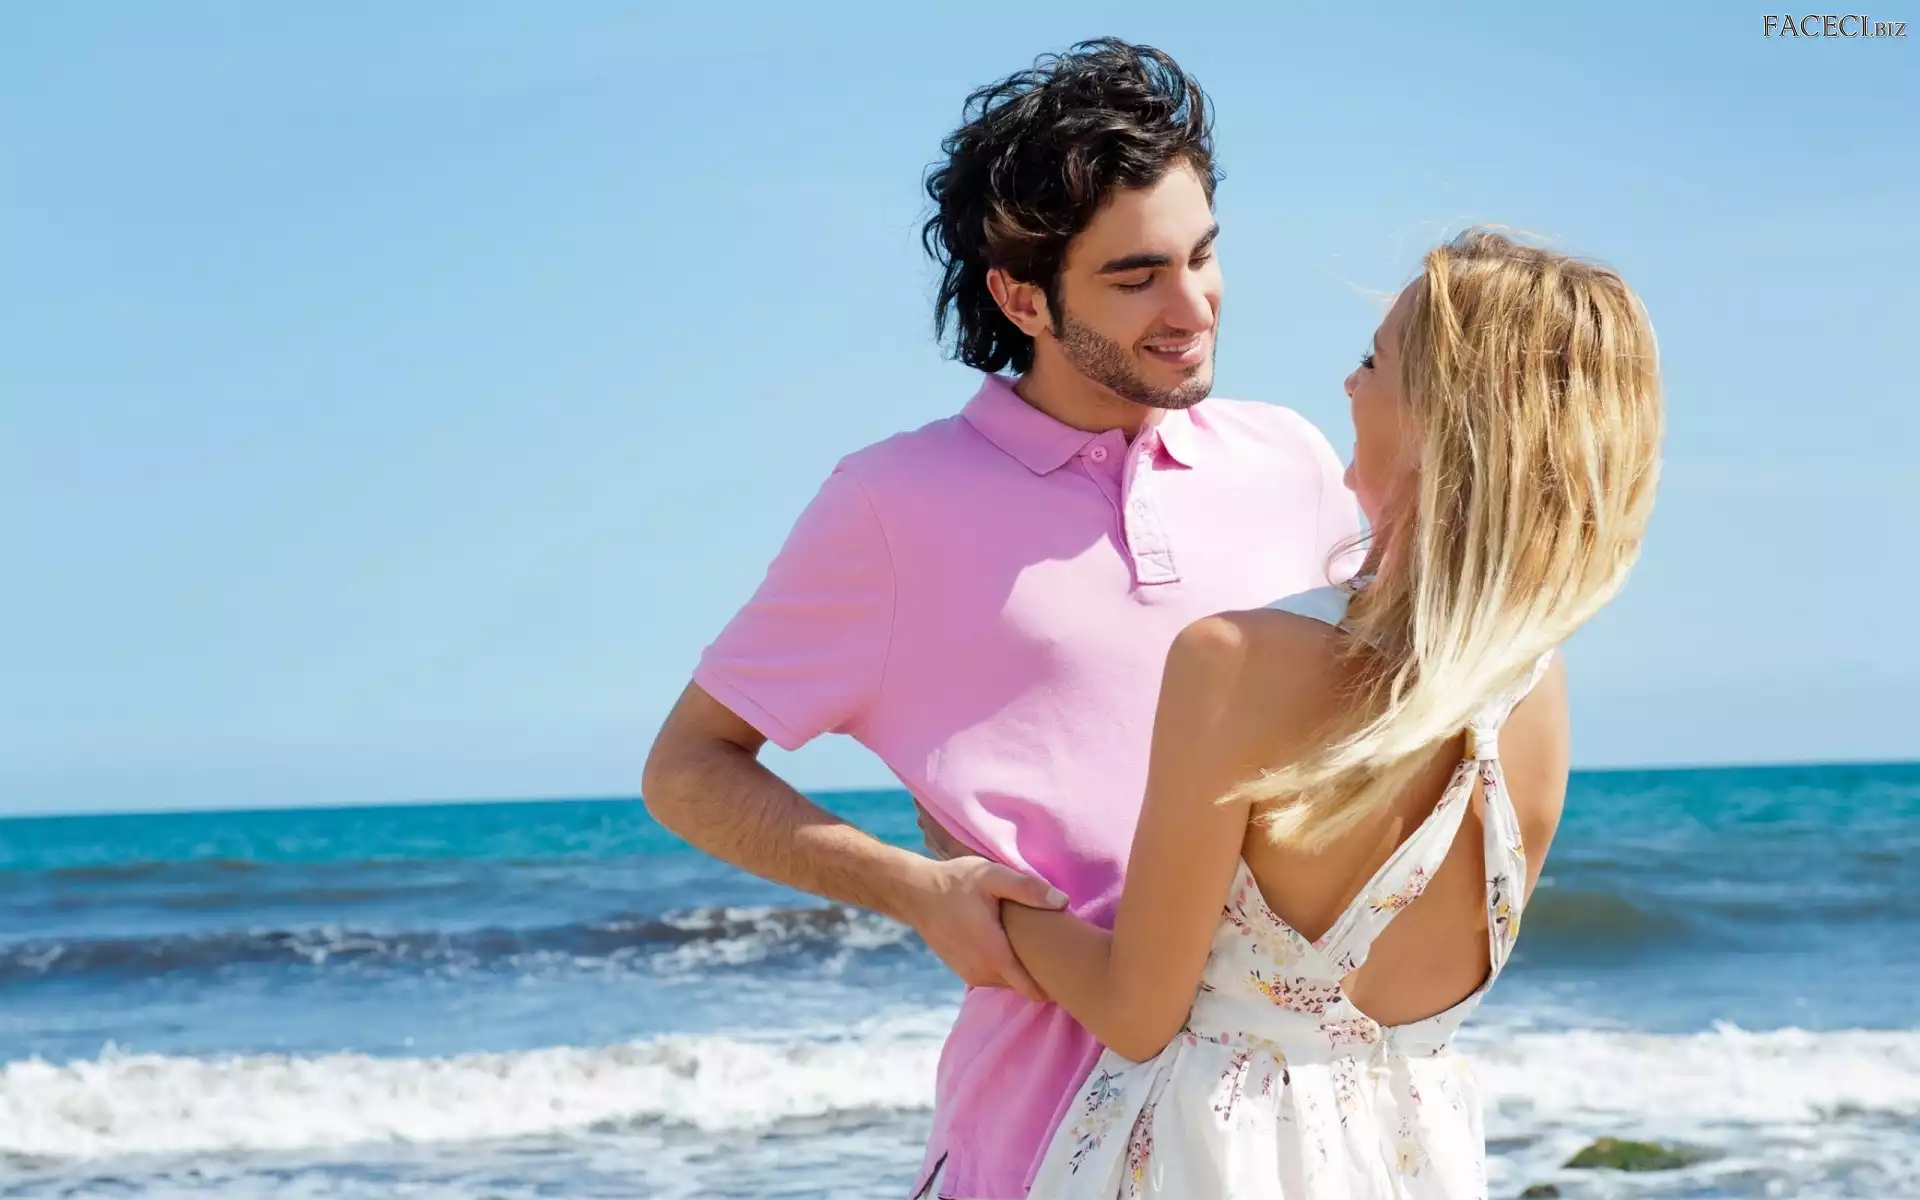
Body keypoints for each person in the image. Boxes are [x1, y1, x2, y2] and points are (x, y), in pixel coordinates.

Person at [640, 39, 1362, 1200]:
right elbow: (687, 768)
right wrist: (912, 888)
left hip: (1295, 1130)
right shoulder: (891, 505)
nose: (1193, 308)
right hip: (1039, 1134)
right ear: (1023, 297)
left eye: (1204, 255)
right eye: (1136, 277)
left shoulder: (1290, 458)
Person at [998, 227, 1664, 1198]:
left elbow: (1136, 1012)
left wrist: (978, 897)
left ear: (1443, 422)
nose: (1349, 385)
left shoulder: (1237, 661)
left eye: (1373, 361)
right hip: (1411, 1160)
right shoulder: (1534, 686)